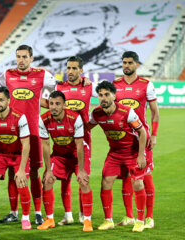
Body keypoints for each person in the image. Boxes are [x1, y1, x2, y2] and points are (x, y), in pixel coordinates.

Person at [0, 45, 58, 225]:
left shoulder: (42, 75)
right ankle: (13, 212)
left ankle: (37, 212)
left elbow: (58, 89)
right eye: (18, 57)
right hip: (12, 133)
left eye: (24, 57)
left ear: (32, 58)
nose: (21, 60)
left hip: (33, 132)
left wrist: (45, 103)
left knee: (33, 173)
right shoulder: (7, 75)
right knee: (12, 173)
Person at [41, 56, 97, 225]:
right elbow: (46, 99)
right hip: (60, 141)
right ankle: (68, 215)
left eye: (74, 68)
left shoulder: (88, 86)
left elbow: (107, 98)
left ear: (81, 70)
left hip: (82, 140)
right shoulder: (58, 86)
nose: (70, 72)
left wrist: (90, 124)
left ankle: (83, 214)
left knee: (82, 178)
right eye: (68, 68)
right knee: (64, 181)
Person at [87, 81, 148, 232]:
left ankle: (139, 221)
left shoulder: (127, 112)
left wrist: (141, 156)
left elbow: (142, 132)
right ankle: (108, 220)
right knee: (106, 182)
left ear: (114, 96)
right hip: (114, 154)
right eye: (100, 95)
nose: (103, 98)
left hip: (132, 153)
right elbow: (85, 128)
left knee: (138, 184)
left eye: (107, 94)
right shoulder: (97, 113)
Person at [114, 51, 159, 229]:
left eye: (130, 63)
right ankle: (129, 216)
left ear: (137, 64)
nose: (126, 65)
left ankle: (149, 217)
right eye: (124, 62)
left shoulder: (146, 85)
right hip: (122, 141)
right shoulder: (115, 85)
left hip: (142, 139)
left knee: (144, 177)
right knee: (126, 177)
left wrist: (153, 134)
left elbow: (155, 112)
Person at [38, 91, 93, 232]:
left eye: (57, 104)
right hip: (59, 155)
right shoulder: (43, 119)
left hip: (78, 154)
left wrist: (80, 170)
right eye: (51, 104)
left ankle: (87, 220)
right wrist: (48, 170)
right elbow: (45, 145)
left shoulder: (75, 118)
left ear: (64, 105)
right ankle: (49, 219)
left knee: (83, 181)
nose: (54, 107)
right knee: (47, 180)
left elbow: (80, 144)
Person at [0, 86, 32, 230]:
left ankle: (25, 218)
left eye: (1, 100)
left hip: (18, 155)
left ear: (8, 101)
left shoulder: (19, 117)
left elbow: (26, 143)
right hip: (1, 155)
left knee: (21, 183)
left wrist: (21, 169)